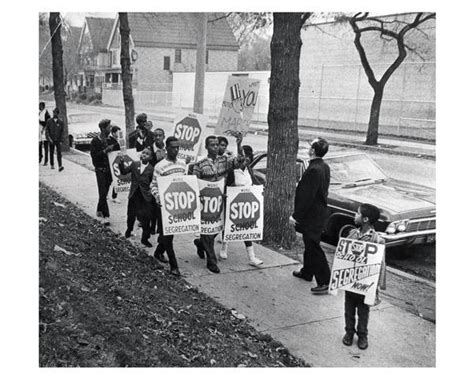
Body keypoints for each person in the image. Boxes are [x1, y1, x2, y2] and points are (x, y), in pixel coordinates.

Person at [192, 133, 245, 274]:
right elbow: (194, 183)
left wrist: (239, 144)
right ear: (206, 147)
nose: (216, 147)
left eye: (217, 145)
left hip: (221, 200)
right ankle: (211, 261)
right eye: (212, 145)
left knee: (219, 228)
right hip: (206, 203)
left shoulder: (225, 160)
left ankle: (201, 243)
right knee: (207, 230)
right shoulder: (200, 165)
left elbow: (241, 162)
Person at [290, 137, 331, 294]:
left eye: (310, 147)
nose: (308, 149)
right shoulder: (323, 166)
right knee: (309, 244)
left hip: (311, 215)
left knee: (313, 247)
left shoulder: (314, 169)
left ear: (313, 150)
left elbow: (307, 196)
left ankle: (325, 281)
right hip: (318, 213)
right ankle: (307, 272)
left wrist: (296, 216)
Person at [342, 203, 386, 350]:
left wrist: (377, 286)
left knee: (363, 311)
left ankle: (362, 335)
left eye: (357, 214)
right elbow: (343, 256)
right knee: (348, 308)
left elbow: (381, 264)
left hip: (366, 284)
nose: (355, 216)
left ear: (365, 219)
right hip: (350, 280)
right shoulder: (352, 234)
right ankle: (349, 332)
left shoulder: (377, 240)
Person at [149, 136, 188, 276]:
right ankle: (174, 265)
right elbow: (153, 185)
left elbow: (186, 183)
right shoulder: (160, 166)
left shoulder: (183, 164)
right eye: (173, 147)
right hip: (164, 206)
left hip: (178, 206)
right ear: (166, 148)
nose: (176, 150)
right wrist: (159, 199)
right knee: (167, 234)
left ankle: (158, 252)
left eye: (178, 147)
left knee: (170, 233)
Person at [219, 144, 263, 266]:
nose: (245, 160)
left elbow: (254, 182)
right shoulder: (232, 171)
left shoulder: (248, 170)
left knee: (246, 228)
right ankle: (224, 247)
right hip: (234, 202)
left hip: (246, 203)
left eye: (248, 158)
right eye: (243, 158)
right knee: (229, 226)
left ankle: (252, 257)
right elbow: (227, 187)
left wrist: (261, 190)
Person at [119, 147, 156, 248]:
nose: (144, 154)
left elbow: (153, 183)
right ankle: (129, 229)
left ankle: (145, 238)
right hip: (134, 194)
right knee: (131, 214)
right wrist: (121, 162)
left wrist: (151, 193)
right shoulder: (134, 164)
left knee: (146, 217)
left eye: (147, 154)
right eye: (143, 152)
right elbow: (123, 172)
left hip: (145, 197)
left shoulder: (151, 169)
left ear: (151, 157)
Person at [90, 119, 115, 225]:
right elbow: (94, 157)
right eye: (109, 127)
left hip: (109, 171)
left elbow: (118, 151)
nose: (110, 129)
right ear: (103, 128)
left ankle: (99, 209)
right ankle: (106, 215)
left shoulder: (112, 140)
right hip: (100, 170)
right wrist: (104, 151)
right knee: (102, 191)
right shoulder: (95, 141)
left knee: (105, 192)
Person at [45, 107, 64, 171]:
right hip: (51, 139)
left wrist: (61, 140)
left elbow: (62, 131)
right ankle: (52, 164)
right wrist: (49, 138)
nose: (54, 114)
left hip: (58, 139)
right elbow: (47, 130)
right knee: (51, 152)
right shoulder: (49, 121)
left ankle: (60, 165)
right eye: (53, 112)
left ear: (57, 114)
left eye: (55, 113)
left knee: (59, 153)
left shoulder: (60, 122)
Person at [107, 125, 122, 204]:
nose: (119, 133)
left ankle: (114, 196)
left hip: (117, 162)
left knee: (116, 180)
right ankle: (108, 195)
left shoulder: (118, 140)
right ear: (113, 133)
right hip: (112, 161)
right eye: (117, 132)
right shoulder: (110, 140)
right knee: (109, 180)